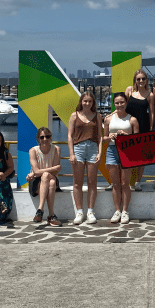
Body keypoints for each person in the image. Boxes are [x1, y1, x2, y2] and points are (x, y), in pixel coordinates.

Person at [68, 91, 103, 225]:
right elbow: (70, 136)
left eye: (90, 101)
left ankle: (90, 211)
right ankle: (79, 212)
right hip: (78, 149)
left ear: (93, 102)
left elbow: (100, 136)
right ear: (81, 102)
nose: (87, 103)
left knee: (92, 182)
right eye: (85, 101)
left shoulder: (97, 116)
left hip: (93, 148)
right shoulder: (74, 116)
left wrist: (100, 153)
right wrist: (71, 153)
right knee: (77, 182)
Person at [104, 92, 139, 223]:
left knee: (125, 184)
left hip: (127, 152)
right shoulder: (108, 119)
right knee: (115, 184)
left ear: (126, 103)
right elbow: (104, 138)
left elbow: (137, 140)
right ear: (114, 104)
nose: (119, 105)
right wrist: (109, 137)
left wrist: (126, 135)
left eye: (122, 102)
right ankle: (117, 210)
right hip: (112, 151)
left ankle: (125, 211)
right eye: (117, 102)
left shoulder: (132, 119)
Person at [125, 70, 155, 192]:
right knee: (127, 154)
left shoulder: (150, 94)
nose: (141, 81)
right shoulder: (129, 91)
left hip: (143, 125)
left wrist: (152, 128)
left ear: (146, 80)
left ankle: (138, 181)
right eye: (138, 79)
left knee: (141, 156)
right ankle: (125, 181)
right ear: (135, 81)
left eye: (143, 78)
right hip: (129, 126)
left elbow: (152, 113)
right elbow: (122, 106)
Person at [28, 126, 62, 226]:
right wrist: (37, 173)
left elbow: (54, 173)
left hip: (52, 176)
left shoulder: (56, 149)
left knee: (47, 176)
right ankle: (51, 215)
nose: (45, 139)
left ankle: (40, 210)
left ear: (50, 137)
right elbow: (38, 171)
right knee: (50, 182)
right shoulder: (33, 151)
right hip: (36, 182)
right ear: (38, 139)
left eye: (47, 136)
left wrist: (38, 172)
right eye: (42, 137)